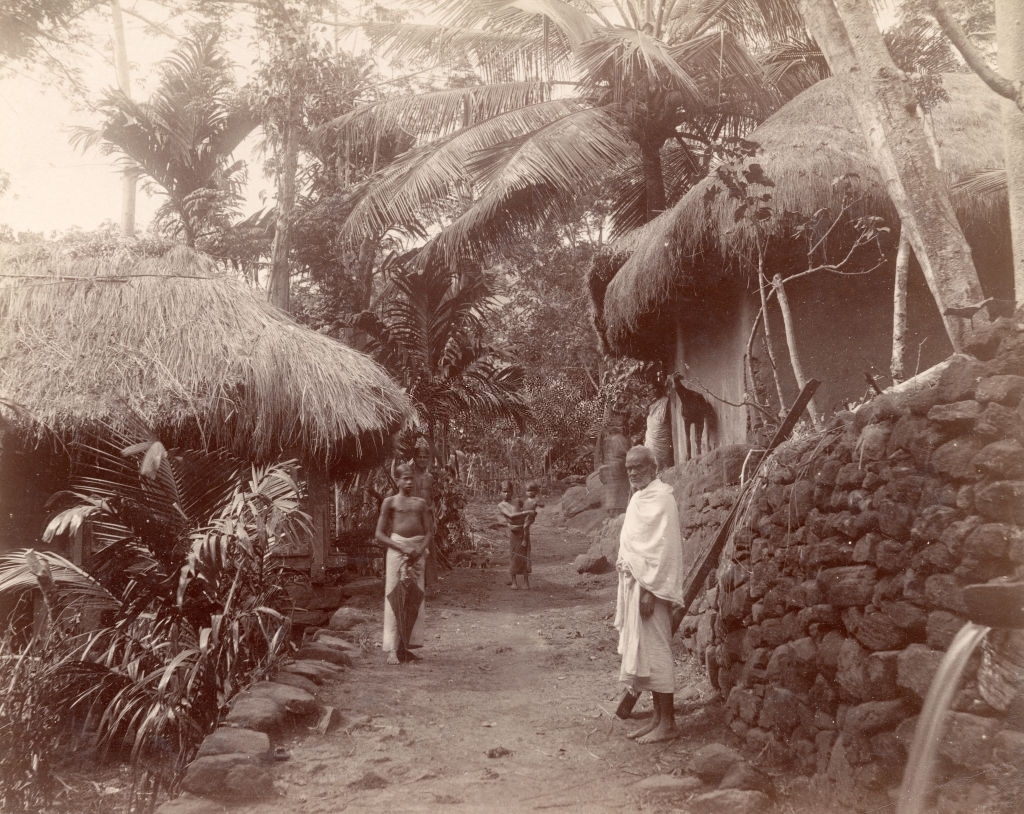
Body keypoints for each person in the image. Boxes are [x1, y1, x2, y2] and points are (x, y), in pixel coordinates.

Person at [615, 445, 684, 743]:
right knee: (645, 652)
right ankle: (657, 718)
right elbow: (635, 546)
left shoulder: (663, 499)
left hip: (652, 591)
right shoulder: (639, 498)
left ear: (653, 468)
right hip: (636, 587)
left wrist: (651, 593)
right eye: (629, 467)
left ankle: (668, 723)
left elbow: (662, 551)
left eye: (638, 467)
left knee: (657, 652)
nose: (632, 472)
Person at [375, 463, 432, 664]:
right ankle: (392, 649)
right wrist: (402, 549)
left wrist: (418, 550)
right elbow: (379, 534)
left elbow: (429, 533)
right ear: (397, 480)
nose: (408, 482)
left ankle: (406, 647)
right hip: (397, 550)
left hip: (417, 552)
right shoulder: (389, 503)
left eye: (411, 478)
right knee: (394, 596)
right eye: (404, 478)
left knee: (415, 598)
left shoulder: (420, 503)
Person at [498, 481, 535, 590]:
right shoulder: (501, 505)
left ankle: (526, 582)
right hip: (514, 533)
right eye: (504, 491)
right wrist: (526, 513)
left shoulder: (517, 501)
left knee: (524, 556)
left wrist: (528, 521)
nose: (506, 494)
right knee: (513, 556)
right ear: (500, 492)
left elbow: (529, 509)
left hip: (523, 531)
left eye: (508, 491)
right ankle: (514, 582)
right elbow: (511, 516)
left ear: (512, 491)